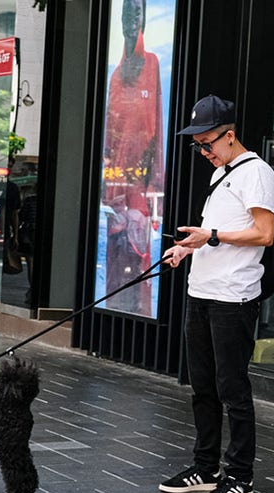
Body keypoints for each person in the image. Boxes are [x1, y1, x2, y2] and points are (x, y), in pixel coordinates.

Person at [158, 94, 274, 493]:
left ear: (230, 135)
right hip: (201, 291)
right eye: (198, 145)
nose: (203, 151)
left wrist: (211, 237)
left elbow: (265, 234)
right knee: (202, 387)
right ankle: (205, 467)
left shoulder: (256, 173)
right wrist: (188, 248)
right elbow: (217, 231)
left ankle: (240, 475)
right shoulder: (221, 173)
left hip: (233, 297)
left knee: (232, 389)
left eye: (208, 142)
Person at [102, 0, 164, 315]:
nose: (131, 18)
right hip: (116, 190)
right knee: (115, 259)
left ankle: (138, 312)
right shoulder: (114, 76)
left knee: (140, 259)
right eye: (127, 11)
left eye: (137, 12)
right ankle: (112, 309)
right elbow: (107, 145)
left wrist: (155, 198)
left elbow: (158, 133)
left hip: (140, 190)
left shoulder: (151, 65)